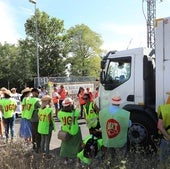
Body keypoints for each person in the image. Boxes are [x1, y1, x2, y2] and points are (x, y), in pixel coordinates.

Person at [99, 94, 130, 164]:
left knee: (111, 157)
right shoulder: (123, 113)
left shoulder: (103, 112)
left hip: (108, 140)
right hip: (120, 141)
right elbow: (129, 124)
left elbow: (102, 124)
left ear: (111, 102)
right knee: (121, 159)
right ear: (119, 103)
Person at [58, 97, 82, 164]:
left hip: (65, 132)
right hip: (75, 131)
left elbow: (59, 116)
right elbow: (78, 116)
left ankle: (66, 160)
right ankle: (77, 160)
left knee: (65, 146)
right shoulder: (75, 112)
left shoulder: (60, 113)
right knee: (77, 146)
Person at [38, 95, 56, 159]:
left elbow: (39, 118)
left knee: (42, 141)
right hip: (47, 127)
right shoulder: (49, 110)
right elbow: (49, 120)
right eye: (50, 101)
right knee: (47, 142)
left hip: (41, 127)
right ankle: (47, 155)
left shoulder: (40, 109)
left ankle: (41, 154)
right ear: (48, 102)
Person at [157, 92, 170, 169]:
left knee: (163, 161)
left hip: (166, 139)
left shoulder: (164, 109)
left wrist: (168, 137)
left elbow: (160, 126)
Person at [30, 88, 41, 153]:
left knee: (33, 133)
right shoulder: (36, 100)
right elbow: (42, 107)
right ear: (34, 92)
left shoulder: (29, 99)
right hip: (36, 118)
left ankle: (34, 146)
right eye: (37, 92)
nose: (38, 94)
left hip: (31, 118)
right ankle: (38, 147)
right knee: (37, 133)